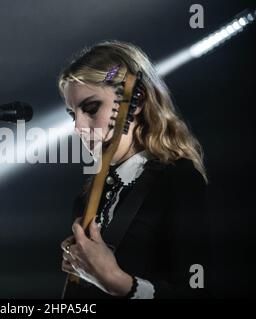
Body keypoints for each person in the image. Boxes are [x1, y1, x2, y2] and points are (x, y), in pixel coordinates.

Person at [58, 40, 211, 299]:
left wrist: (119, 282)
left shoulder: (179, 181)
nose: (79, 128)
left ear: (135, 102)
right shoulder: (87, 197)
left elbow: (196, 290)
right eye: (73, 114)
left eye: (92, 108)